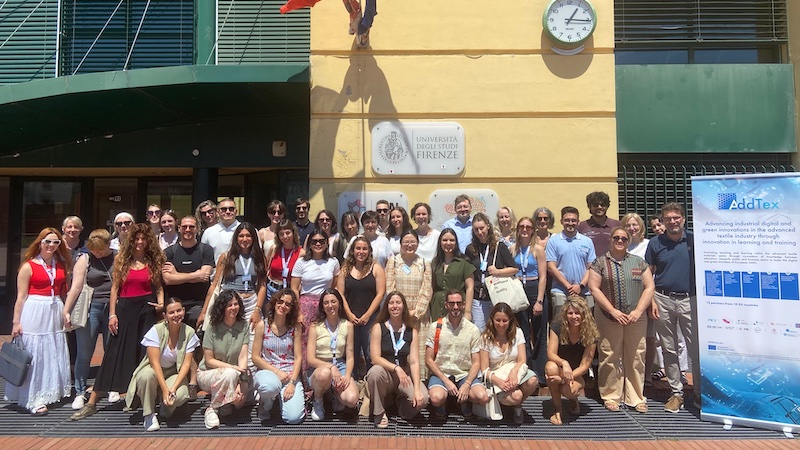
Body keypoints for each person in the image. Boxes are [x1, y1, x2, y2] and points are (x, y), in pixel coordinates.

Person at [71, 223, 165, 421]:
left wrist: (161, 304)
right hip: (124, 309)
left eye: (143, 239)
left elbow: (158, 287)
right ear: (131, 240)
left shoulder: (152, 261)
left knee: (142, 356)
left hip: (146, 310)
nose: (140, 242)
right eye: (137, 239)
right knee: (113, 354)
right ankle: (92, 403)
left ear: (149, 241)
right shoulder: (122, 259)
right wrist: (112, 314)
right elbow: (114, 289)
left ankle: (141, 398)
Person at [589, 227, 655, 414]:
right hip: (609, 317)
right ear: (611, 240)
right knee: (610, 354)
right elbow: (594, 288)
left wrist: (638, 311)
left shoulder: (638, 262)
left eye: (624, 239)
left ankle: (636, 397)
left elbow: (649, 287)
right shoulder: (600, 262)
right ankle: (611, 395)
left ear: (628, 241)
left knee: (636, 355)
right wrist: (613, 311)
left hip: (636, 317)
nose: (620, 241)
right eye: (616, 238)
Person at [8, 228, 72, 415]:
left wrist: (66, 312)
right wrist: (16, 322)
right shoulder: (28, 266)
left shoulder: (60, 264)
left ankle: (48, 392)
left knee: (52, 350)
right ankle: (32, 397)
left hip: (54, 308)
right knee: (35, 352)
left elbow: (64, 290)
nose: (51, 245)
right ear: (40, 242)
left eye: (56, 242)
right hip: (35, 308)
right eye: (48, 241)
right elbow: (21, 296)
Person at [645, 202, 700, 413]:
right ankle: (676, 392)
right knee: (669, 349)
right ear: (663, 220)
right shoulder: (655, 243)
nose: (672, 221)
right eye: (668, 218)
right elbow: (649, 273)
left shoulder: (694, 240)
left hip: (690, 300)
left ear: (683, 219)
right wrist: (651, 300)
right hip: (663, 299)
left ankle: (699, 393)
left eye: (676, 217)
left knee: (695, 348)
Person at [124, 297, 200, 431]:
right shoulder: (155, 331)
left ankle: (166, 407)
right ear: (165, 315)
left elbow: (186, 365)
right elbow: (154, 364)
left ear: (183, 311)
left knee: (180, 394)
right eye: (171, 312)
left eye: (178, 311)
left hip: (173, 372)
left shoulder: (189, 332)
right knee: (145, 376)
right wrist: (165, 389)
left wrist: (172, 389)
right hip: (154, 370)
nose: (176, 315)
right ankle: (149, 414)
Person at [200, 222, 267, 370]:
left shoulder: (259, 258)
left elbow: (262, 286)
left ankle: (247, 375)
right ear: (236, 238)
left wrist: (257, 309)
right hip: (230, 302)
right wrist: (204, 312)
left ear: (253, 238)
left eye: (248, 235)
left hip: (251, 302)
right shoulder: (226, 256)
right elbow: (215, 284)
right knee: (229, 336)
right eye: (241, 235)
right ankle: (228, 371)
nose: (244, 239)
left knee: (251, 337)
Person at [62, 229, 116, 410]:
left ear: (109, 245)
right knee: (84, 352)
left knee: (111, 349)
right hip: (91, 306)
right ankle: (79, 391)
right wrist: (66, 310)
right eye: (94, 250)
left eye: (100, 250)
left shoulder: (118, 257)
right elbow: (76, 286)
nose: (97, 253)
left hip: (113, 307)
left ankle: (111, 386)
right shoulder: (85, 258)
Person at [365, 291, 429, 428]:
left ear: (403, 306)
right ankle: (379, 412)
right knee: (374, 372)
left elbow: (414, 361)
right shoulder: (379, 327)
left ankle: (401, 407)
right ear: (387, 306)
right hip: (386, 374)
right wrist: (396, 368)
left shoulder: (412, 331)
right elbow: (375, 358)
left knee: (423, 399)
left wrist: (417, 388)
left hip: (404, 377)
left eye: (398, 303)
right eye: (391, 303)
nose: (395, 306)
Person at [425, 289, 489, 419]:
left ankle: (462, 400)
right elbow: (428, 360)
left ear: (464, 304)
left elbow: (477, 362)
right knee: (436, 398)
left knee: (482, 397)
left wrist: (467, 384)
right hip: (442, 373)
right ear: (446, 305)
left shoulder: (472, 329)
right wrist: (445, 381)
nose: (455, 307)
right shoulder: (435, 327)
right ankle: (445, 401)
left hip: (463, 374)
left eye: (459, 303)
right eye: (452, 303)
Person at [196, 290, 250, 430]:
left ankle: (225, 403)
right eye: (229, 305)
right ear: (222, 308)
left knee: (240, 402)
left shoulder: (243, 326)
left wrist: (241, 382)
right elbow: (209, 360)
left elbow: (243, 356)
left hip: (234, 374)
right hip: (207, 374)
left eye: (236, 304)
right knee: (229, 374)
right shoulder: (212, 328)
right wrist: (233, 370)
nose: (233, 308)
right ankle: (212, 409)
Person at [479, 302, 539, 424]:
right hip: (496, 376)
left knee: (533, 380)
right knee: (516, 396)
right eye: (498, 320)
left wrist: (514, 372)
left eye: (505, 321)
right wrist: (500, 382)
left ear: (510, 320)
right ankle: (503, 401)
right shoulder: (485, 337)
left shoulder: (518, 333)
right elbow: (484, 369)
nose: (501, 324)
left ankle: (517, 406)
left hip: (513, 371)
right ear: (492, 319)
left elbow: (522, 359)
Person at [252, 289, 306, 424]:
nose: (283, 306)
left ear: (291, 309)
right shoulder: (262, 325)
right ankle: (266, 404)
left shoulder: (295, 328)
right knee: (270, 387)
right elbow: (255, 357)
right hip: (268, 371)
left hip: (289, 374)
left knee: (293, 418)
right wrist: (277, 372)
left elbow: (298, 357)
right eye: (280, 302)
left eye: (287, 304)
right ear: (274, 303)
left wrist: (292, 383)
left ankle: (279, 400)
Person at [385, 230, 432, 379]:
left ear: (418, 244)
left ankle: (420, 384)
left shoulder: (424, 263)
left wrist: (416, 312)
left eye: (413, 242)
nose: (409, 245)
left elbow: (427, 290)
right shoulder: (394, 262)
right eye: (406, 242)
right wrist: (401, 311)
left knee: (419, 350)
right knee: (400, 348)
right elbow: (390, 288)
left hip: (420, 316)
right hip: (398, 313)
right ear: (400, 244)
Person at [291, 228, 341, 369]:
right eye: (314, 241)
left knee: (324, 339)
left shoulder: (333, 262)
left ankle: (327, 375)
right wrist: (298, 312)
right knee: (305, 342)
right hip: (306, 305)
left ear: (326, 243)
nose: (318, 244)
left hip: (326, 305)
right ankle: (306, 381)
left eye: (321, 241)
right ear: (309, 243)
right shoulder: (301, 262)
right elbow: (294, 288)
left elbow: (335, 287)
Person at [545, 296, 598, 425]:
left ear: (584, 314)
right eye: (570, 313)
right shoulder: (557, 326)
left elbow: (585, 365)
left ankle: (573, 399)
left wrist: (563, 379)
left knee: (568, 390)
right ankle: (557, 409)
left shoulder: (591, 332)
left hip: (578, 373)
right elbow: (551, 353)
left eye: (577, 313)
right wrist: (564, 363)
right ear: (565, 314)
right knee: (550, 369)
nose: (574, 317)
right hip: (560, 367)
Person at [307, 289, 359, 420]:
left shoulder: (347, 325)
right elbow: (310, 359)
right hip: (319, 367)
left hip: (340, 365)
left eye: (333, 302)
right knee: (325, 374)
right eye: (326, 303)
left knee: (352, 399)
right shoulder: (315, 326)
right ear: (322, 306)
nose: (330, 306)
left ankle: (334, 394)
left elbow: (350, 355)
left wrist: (347, 375)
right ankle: (318, 400)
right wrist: (330, 367)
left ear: (339, 304)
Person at [338, 235, 386, 378]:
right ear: (352, 250)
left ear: (369, 251)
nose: (361, 251)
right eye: (358, 248)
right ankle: (352, 384)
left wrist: (367, 315)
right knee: (351, 354)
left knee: (371, 354)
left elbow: (381, 293)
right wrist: (349, 314)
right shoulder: (345, 269)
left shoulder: (376, 268)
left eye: (364, 249)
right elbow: (340, 293)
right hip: (350, 319)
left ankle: (370, 388)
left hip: (371, 319)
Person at [622, 212, 660, 387]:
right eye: (628, 225)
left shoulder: (648, 245)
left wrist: (651, 299)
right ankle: (627, 373)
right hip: (624, 297)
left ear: (641, 227)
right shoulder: (621, 245)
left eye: (635, 225)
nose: (632, 228)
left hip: (646, 296)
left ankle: (647, 375)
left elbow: (652, 271)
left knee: (648, 337)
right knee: (625, 336)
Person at [465, 212, 518, 332]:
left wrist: (498, 272)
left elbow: (514, 269)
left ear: (488, 226)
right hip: (478, 298)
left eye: (482, 228)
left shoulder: (499, 247)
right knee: (479, 332)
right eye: (476, 229)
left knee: (497, 331)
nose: (480, 232)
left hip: (497, 295)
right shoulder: (471, 249)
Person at [509, 217, 548, 377]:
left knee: (539, 331)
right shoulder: (513, 249)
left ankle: (540, 372)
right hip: (518, 289)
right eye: (522, 227)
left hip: (534, 288)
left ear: (532, 230)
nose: (525, 230)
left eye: (528, 227)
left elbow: (543, 276)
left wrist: (539, 300)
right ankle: (525, 368)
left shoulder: (538, 249)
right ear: (518, 229)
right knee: (522, 331)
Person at [163, 215, 215, 331]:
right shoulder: (169, 252)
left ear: (197, 229)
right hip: (174, 305)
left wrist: (176, 274)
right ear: (179, 228)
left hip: (198, 305)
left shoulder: (206, 250)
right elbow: (167, 280)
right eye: (184, 227)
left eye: (191, 227)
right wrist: (196, 275)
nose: (187, 230)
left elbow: (204, 277)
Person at [546, 206, 597, 321]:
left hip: (584, 291)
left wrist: (581, 286)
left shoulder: (587, 241)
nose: (570, 223)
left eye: (573, 220)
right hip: (560, 291)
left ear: (578, 222)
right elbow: (551, 267)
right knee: (560, 324)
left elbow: (591, 267)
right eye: (567, 220)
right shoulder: (553, 241)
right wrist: (568, 287)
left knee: (586, 323)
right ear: (561, 222)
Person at [430, 228, 475, 322]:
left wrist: (467, 311)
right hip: (437, 307)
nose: (448, 243)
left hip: (456, 307)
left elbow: (469, 288)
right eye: (445, 240)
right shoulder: (435, 262)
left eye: (451, 240)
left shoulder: (464, 262)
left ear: (456, 242)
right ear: (440, 242)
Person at [264, 219, 303, 299]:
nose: (285, 236)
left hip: (289, 292)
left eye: (288, 233)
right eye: (281, 234)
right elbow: (266, 268)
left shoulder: (301, 253)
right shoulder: (274, 249)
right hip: (271, 291)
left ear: (293, 233)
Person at [577, 191, 621, 257]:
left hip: (612, 265)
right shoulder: (581, 226)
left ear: (607, 206)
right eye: (595, 205)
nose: (599, 207)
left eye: (603, 205)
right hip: (589, 266)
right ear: (589, 207)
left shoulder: (617, 225)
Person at [201, 198, 241, 264]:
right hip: (215, 273)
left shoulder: (248, 230)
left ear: (236, 211)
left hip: (241, 273)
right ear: (218, 212)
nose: (228, 212)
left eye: (231, 209)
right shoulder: (208, 232)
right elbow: (203, 257)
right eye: (223, 209)